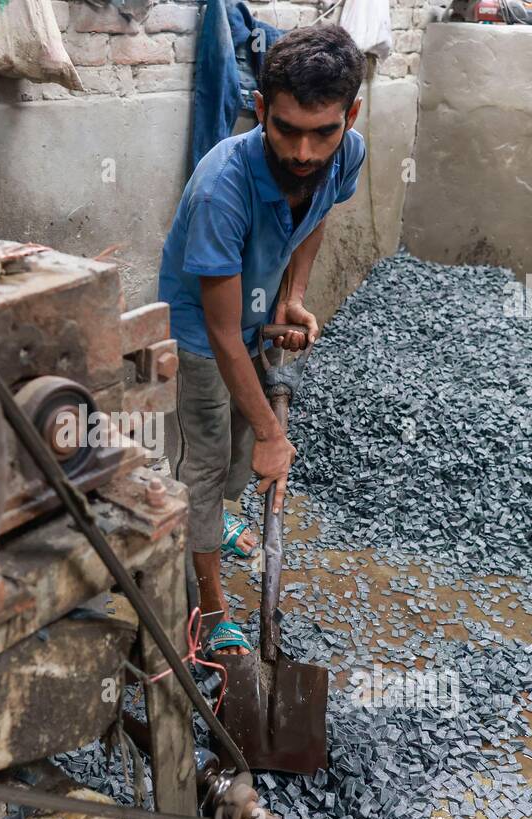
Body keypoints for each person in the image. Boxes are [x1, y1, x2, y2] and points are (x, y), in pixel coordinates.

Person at [158, 24, 367, 656]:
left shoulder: (347, 151)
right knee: (206, 459)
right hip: (201, 332)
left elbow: (317, 211)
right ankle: (207, 604)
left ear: (349, 116)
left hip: (252, 316)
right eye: (286, 130)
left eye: (322, 132)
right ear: (259, 110)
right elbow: (221, 333)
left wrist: (291, 297)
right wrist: (278, 438)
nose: (304, 151)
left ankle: (216, 522)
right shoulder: (225, 186)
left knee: (241, 451)